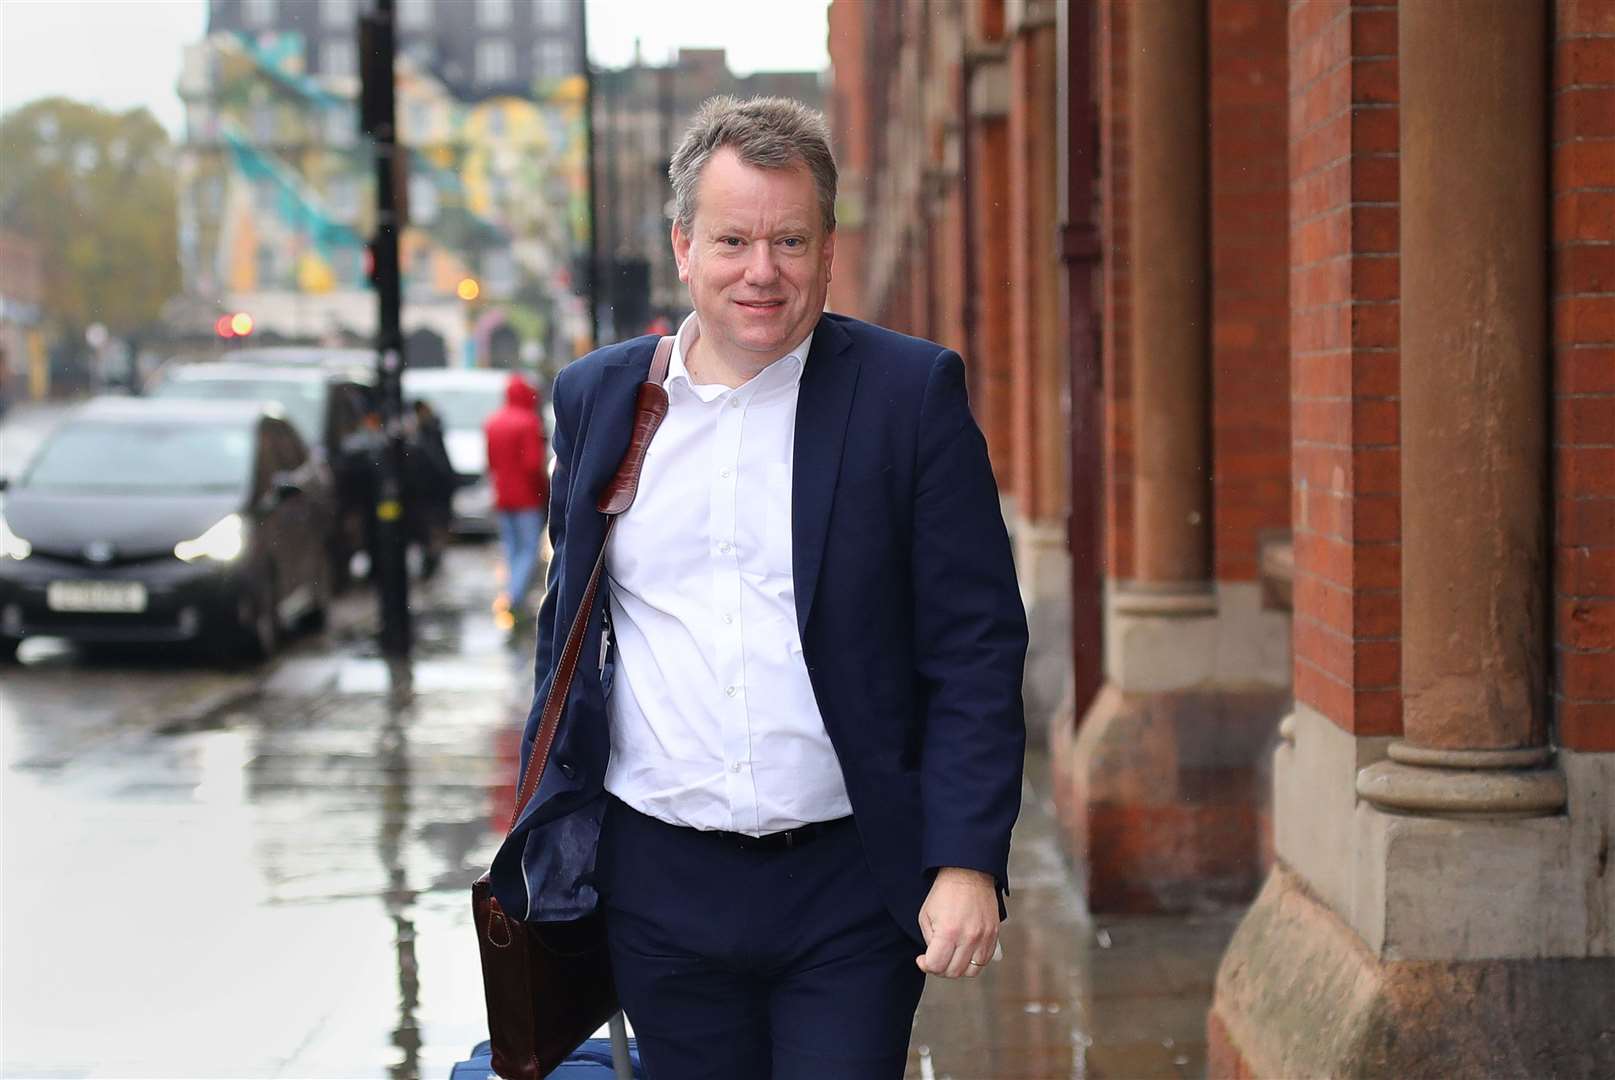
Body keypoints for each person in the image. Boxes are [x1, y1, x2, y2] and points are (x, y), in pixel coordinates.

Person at [487, 96, 1027, 1079]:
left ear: (828, 249)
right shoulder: (601, 400)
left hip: (850, 885)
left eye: (790, 239)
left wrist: (966, 857)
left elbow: (974, 647)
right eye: (733, 239)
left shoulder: (908, 398)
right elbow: (568, 631)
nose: (762, 271)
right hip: (659, 886)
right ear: (684, 245)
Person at [483, 373, 549, 626]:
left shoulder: (493, 422)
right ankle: (514, 598)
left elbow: (490, 462)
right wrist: (544, 492)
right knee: (528, 549)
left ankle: (513, 593)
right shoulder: (528, 422)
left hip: (503, 496)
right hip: (527, 498)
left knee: (512, 549)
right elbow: (534, 464)